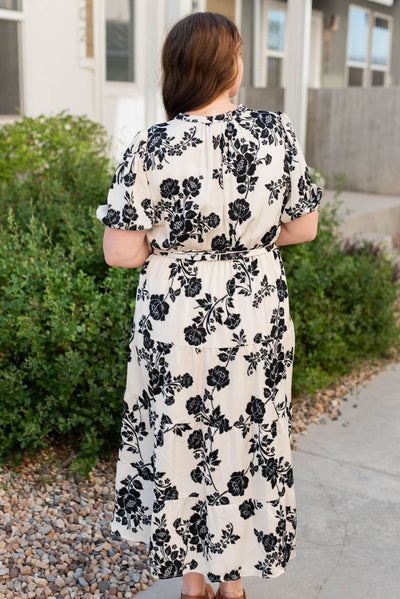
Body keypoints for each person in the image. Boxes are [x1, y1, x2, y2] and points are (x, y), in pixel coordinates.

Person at [96, 11, 321, 599]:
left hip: (177, 317)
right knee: (246, 437)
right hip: (255, 311)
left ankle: (193, 581)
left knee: (181, 435)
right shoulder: (276, 134)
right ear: (233, 67)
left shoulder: (148, 145)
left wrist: (175, 248)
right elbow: (306, 228)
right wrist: (246, 241)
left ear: (175, 70)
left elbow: (120, 253)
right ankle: (233, 581)